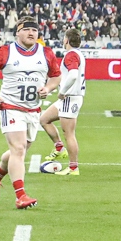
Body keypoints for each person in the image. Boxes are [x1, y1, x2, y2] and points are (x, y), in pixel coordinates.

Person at [0, 16, 61, 209]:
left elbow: (56, 76)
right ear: (17, 32)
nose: (31, 33)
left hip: (33, 110)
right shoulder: (5, 52)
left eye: (34, 30)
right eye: (27, 29)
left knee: (19, 150)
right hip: (10, 107)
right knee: (18, 149)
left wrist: (48, 88)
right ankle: (20, 195)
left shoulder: (46, 53)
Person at [41, 28, 85, 176]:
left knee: (69, 133)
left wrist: (63, 91)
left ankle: (73, 168)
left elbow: (73, 75)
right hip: (70, 98)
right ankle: (59, 148)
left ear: (66, 40)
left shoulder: (71, 55)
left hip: (70, 98)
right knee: (44, 119)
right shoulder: (78, 54)